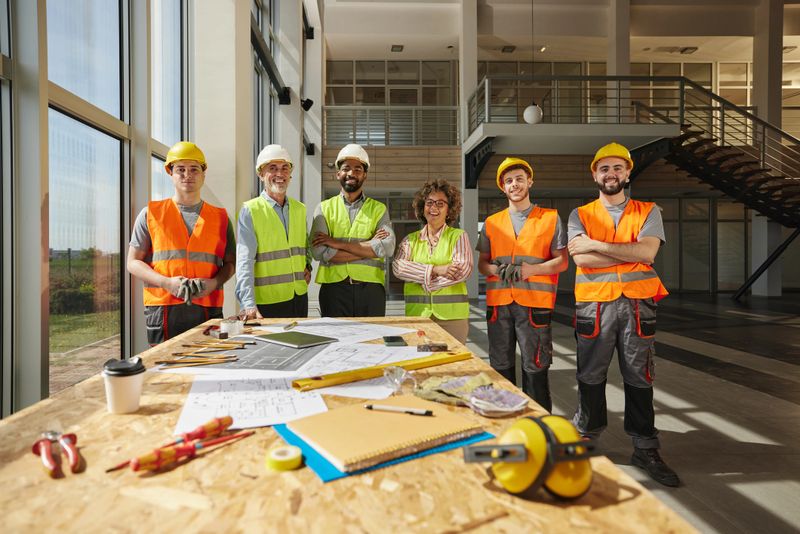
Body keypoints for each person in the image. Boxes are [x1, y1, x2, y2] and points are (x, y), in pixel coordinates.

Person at [567, 142, 679, 487]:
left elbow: (647, 253)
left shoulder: (649, 211)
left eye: (618, 168)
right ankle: (586, 433)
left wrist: (597, 244)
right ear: (595, 174)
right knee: (590, 373)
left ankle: (645, 447)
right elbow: (581, 260)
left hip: (637, 305)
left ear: (627, 172)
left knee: (639, 376)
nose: (611, 174)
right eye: (604, 168)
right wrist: (628, 253)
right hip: (594, 305)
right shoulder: (579, 215)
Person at [477, 157, 568, 412]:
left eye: (519, 178)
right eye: (508, 181)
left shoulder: (550, 218)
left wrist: (532, 270)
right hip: (499, 306)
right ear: (502, 187)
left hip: (535, 306)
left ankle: (539, 425)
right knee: (500, 367)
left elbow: (562, 262)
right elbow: (483, 263)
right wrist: (494, 269)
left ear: (529, 181)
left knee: (536, 368)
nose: (514, 184)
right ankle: (505, 421)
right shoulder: (492, 223)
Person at [127, 141, 235, 345]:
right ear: (170, 173)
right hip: (163, 307)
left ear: (203, 174)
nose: (188, 175)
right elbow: (132, 262)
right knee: (166, 369)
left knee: (212, 364)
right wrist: (167, 283)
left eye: (194, 169)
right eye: (181, 169)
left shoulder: (221, 218)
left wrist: (214, 283)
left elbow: (231, 264)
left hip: (208, 306)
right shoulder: (151, 214)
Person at [310, 144, 395, 317]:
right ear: (338, 174)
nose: (351, 173)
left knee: (372, 341)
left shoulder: (379, 209)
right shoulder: (324, 208)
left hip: (371, 291)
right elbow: (318, 252)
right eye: (346, 168)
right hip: (334, 290)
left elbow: (387, 248)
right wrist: (370, 248)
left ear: (365, 175)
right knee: (336, 341)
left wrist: (335, 244)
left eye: (357, 169)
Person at [236, 144, 311, 319]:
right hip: (267, 302)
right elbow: (244, 261)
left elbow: (304, 245)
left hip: (299, 297)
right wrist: (248, 304)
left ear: (290, 174)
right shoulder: (250, 210)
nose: (280, 174)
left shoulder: (300, 209)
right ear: (261, 174)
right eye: (272, 168)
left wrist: (308, 265)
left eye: (284, 168)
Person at [393, 179, 473, 344]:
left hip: (452, 318)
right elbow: (399, 267)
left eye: (440, 203)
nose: (434, 208)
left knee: (452, 365)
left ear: (449, 210)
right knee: (422, 363)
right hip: (418, 316)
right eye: (429, 203)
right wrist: (435, 270)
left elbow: (462, 270)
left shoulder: (458, 236)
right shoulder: (410, 240)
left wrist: (427, 283)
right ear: (422, 208)